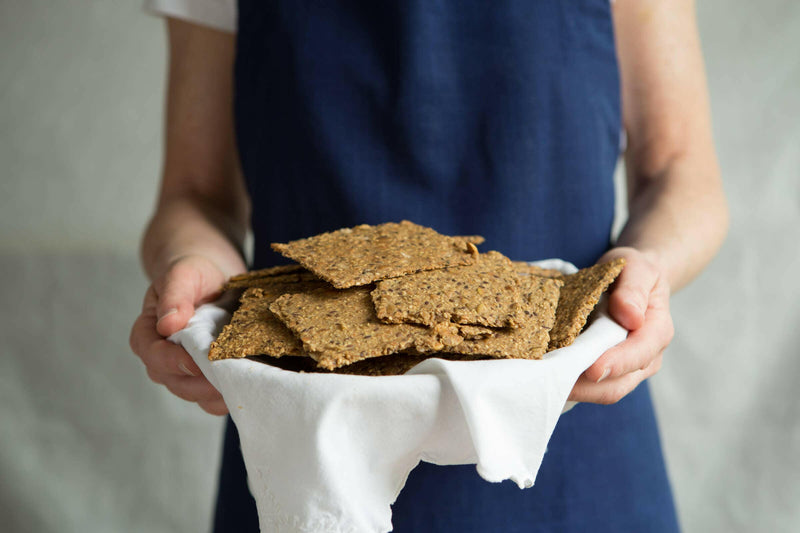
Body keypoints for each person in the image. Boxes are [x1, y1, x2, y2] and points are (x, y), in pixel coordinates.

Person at [130, 0, 728, 530]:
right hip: (305, 450)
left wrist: (646, 268)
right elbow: (193, 194)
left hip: (575, 428)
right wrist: (190, 263)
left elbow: (682, 172)